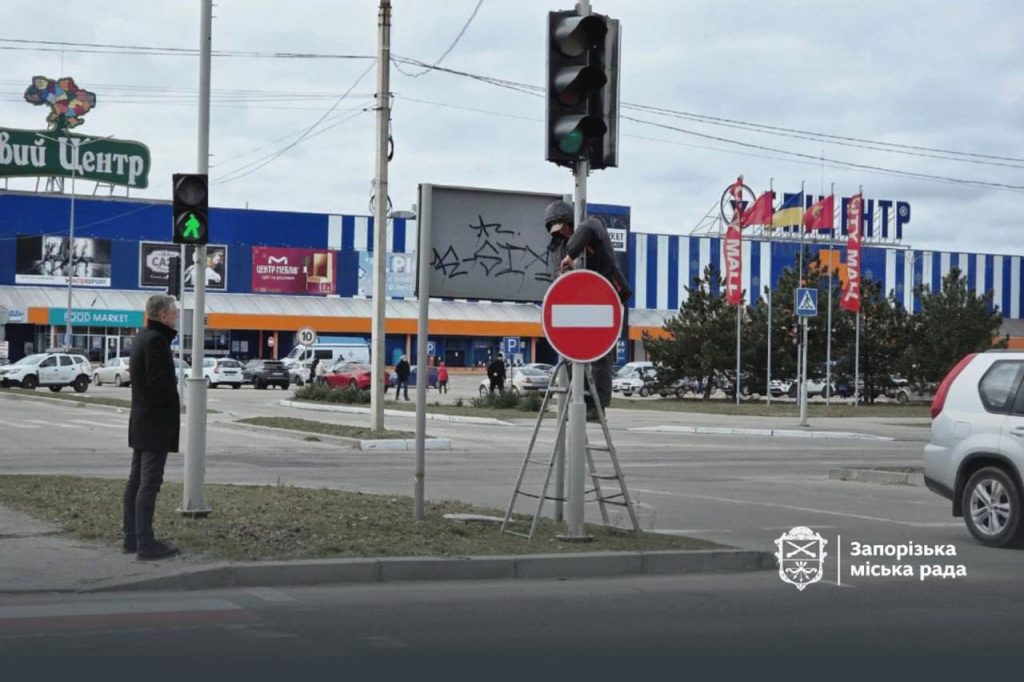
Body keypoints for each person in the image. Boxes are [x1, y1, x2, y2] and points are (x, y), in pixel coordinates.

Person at [544, 200, 633, 422]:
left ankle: (598, 406)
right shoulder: (560, 247)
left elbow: (587, 229)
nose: (562, 232)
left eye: (563, 226)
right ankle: (580, 399)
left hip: (607, 298)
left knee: (600, 355)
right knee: (573, 353)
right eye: (557, 230)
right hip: (584, 303)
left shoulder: (592, 225)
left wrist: (571, 254)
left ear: (570, 220)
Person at [124, 294, 181, 561]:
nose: (177, 316)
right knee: (149, 483)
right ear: (163, 315)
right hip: (155, 422)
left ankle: (131, 538)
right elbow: (159, 384)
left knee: (137, 480)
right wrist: (171, 405)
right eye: (174, 312)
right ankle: (146, 543)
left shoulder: (142, 337)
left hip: (142, 419)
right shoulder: (156, 341)